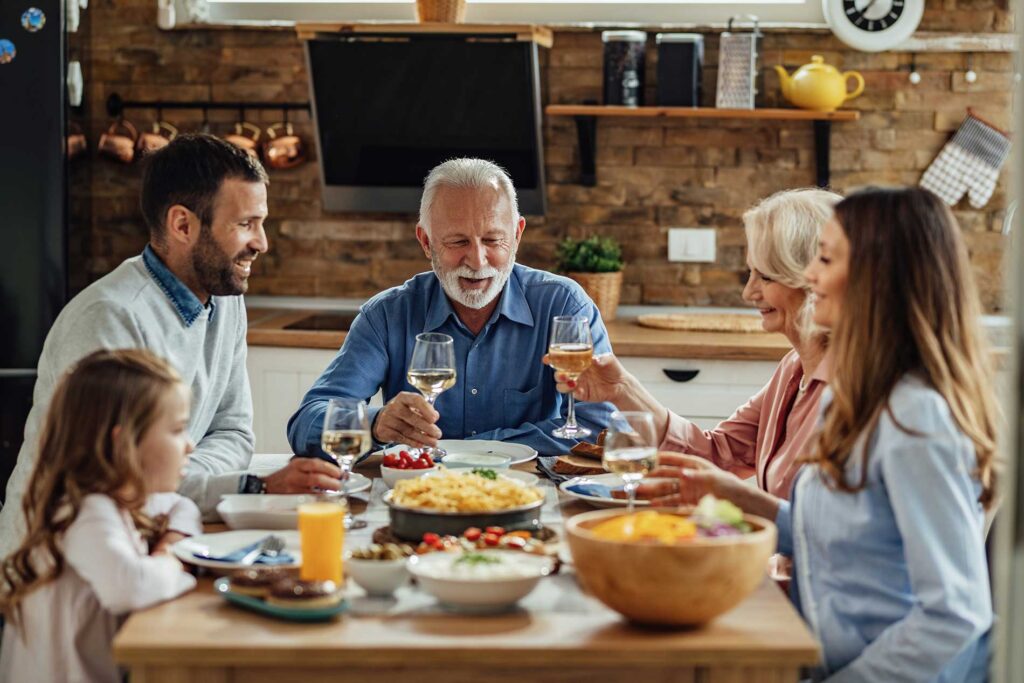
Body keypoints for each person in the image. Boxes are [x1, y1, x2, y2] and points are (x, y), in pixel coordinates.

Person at [654, 187, 996, 681]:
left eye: (826, 259)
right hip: (815, 657)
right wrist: (732, 495)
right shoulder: (854, 392)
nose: (810, 275)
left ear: (877, 279)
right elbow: (848, 535)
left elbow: (955, 615)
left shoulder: (916, 418)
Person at [0, 134, 340, 559]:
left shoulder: (225, 301)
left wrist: (179, 481)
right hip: (57, 570)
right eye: (245, 224)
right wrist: (246, 487)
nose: (262, 242)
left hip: (152, 542)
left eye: (261, 222)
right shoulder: (110, 318)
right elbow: (116, 482)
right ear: (183, 225)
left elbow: (233, 433)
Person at [288, 158, 614, 457]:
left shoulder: (563, 304)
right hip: (419, 496)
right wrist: (375, 423)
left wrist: (476, 450)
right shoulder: (387, 315)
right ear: (426, 242)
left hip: (526, 494)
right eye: (458, 242)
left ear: (517, 235)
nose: (477, 260)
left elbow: (602, 429)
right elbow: (307, 424)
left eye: (492, 240)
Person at [549, 188, 840, 500]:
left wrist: (737, 500)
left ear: (813, 280)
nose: (748, 293)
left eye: (766, 277)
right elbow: (717, 454)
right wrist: (622, 389)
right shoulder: (793, 369)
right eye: (750, 272)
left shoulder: (852, 389)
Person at [1, 350, 203, 683]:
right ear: (123, 442)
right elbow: (130, 587)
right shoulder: (84, 511)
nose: (190, 445)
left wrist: (170, 542)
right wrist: (174, 560)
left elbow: (184, 507)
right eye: (177, 429)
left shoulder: (119, 499)